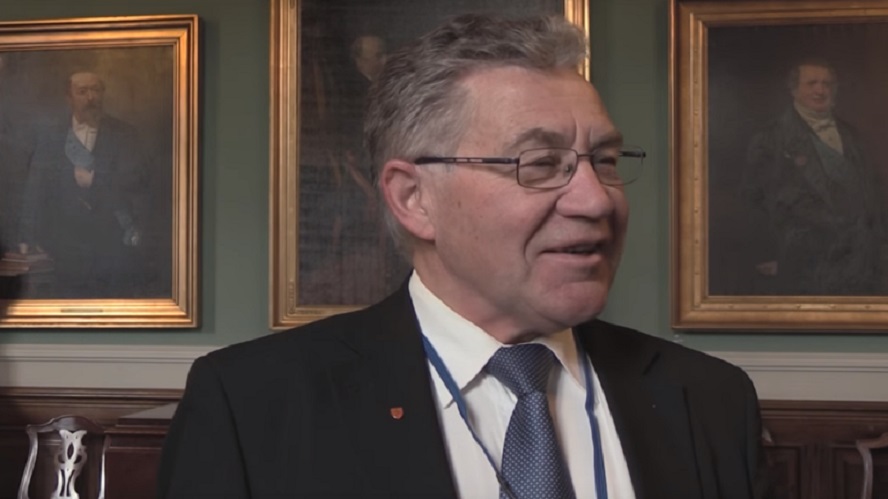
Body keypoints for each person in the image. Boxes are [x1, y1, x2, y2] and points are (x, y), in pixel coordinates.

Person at [158, 14, 764, 498]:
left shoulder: (711, 400)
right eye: (540, 163)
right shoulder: (252, 404)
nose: (596, 199)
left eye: (604, 160)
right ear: (413, 199)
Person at [743, 58, 888, 295]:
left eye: (827, 84)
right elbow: (754, 200)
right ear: (794, 89)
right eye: (812, 83)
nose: (820, 90)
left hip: (861, 259)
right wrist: (771, 254)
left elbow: (874, 194)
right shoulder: (770, 139)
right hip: (805, 259)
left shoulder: (852, 135)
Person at [16, 71, 149, 298]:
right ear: (69, 97)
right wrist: (26, 235)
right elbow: (35, 188)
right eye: (82, 91)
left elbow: (136, 179)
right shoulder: (51, 136)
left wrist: (95, 180)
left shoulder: (125, 134)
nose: (90, 97)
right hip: (63, 243)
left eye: (95, 90)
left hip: (111, 241)